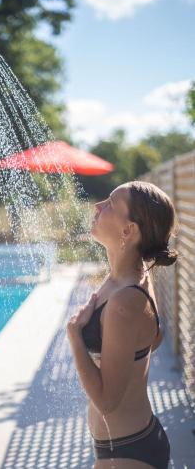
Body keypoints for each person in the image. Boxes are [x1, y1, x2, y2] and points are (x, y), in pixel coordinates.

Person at [67, 180, 177, 468]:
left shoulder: (123, 301)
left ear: (128, 230)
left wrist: (76, 337)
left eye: (110, 204)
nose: (98, 206)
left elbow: (107, 401)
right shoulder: (128, 278)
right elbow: (155, 337)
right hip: (125, 444)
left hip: (128, 453)